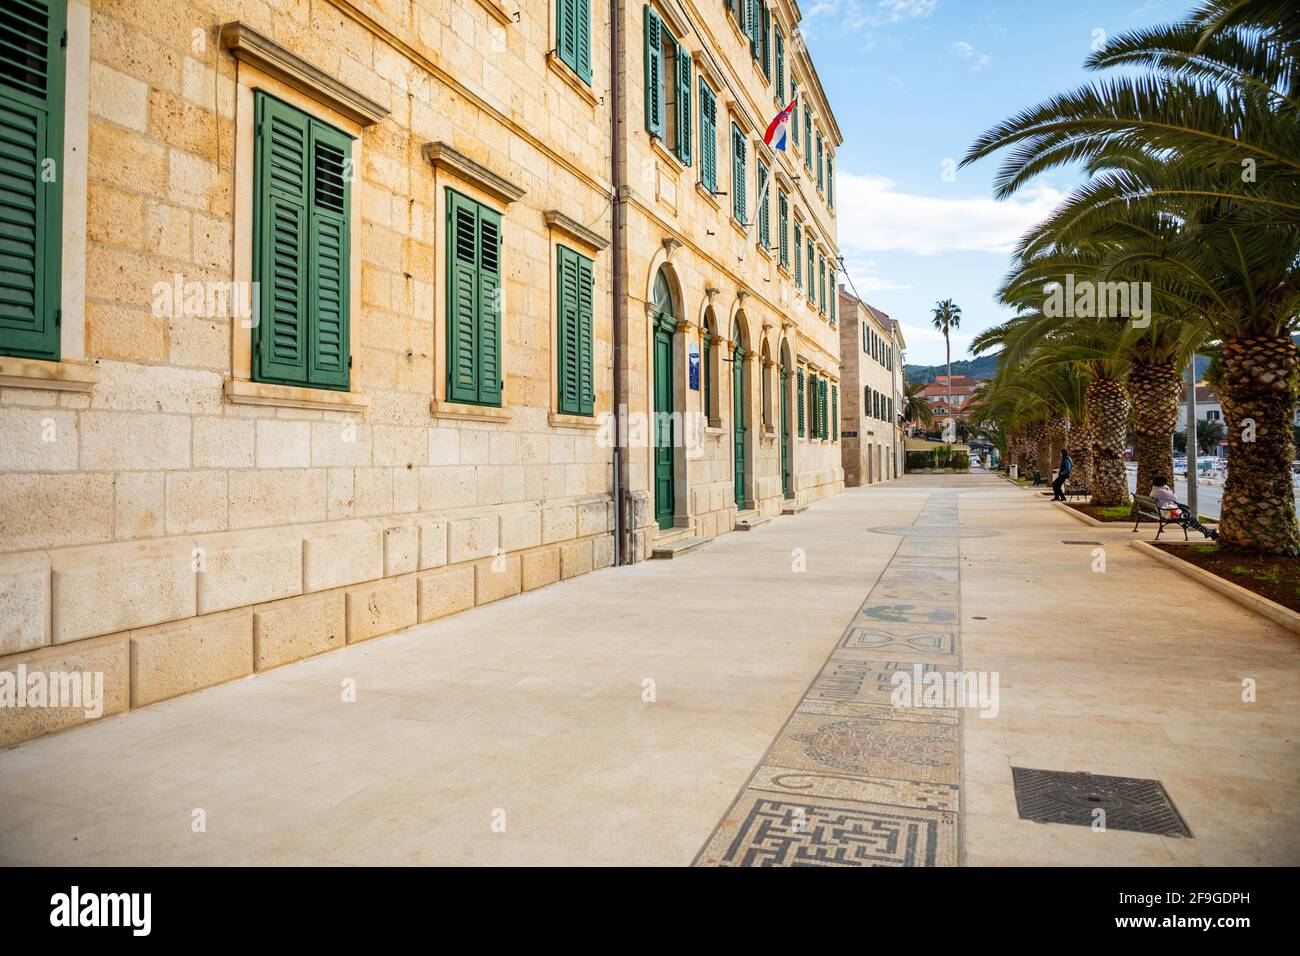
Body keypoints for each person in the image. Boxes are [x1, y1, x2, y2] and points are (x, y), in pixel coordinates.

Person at [1151, 474, 1218, 540]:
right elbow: (1174, 497)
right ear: (1162, 483)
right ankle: (1209, 532)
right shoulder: (1161, 491)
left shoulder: (1155, 490)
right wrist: (1168, 489)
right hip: (1170, 513)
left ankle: (1207, 532)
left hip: (1166, 511)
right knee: (1191, 519)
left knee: (1191, 519)